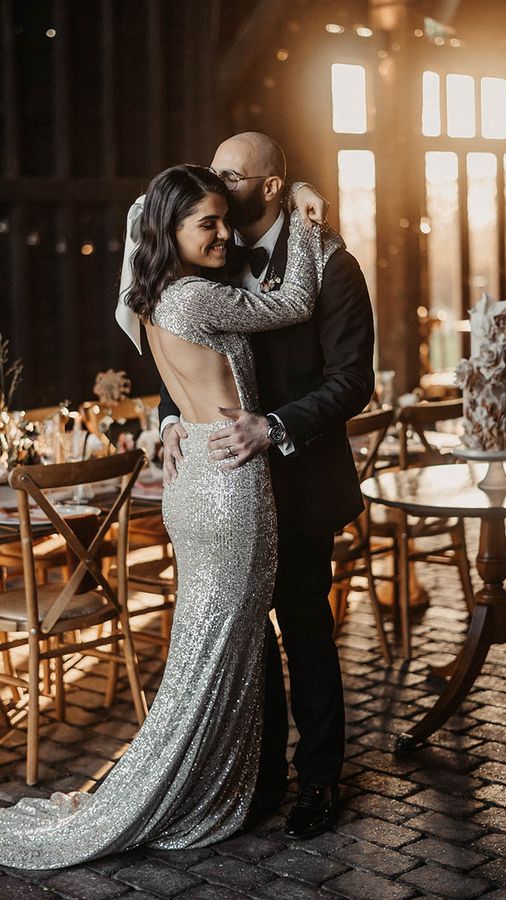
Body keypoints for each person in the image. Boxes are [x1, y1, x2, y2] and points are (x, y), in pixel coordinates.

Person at [0, 164, 343, 869]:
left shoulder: (153, 297)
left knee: (213, 650)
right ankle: (192, 789)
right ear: (171, 231)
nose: (221, 233)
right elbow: (296, 302)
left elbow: (187, 383)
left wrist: (172, 420)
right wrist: (310, 216)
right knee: (219, 650)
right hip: (230, 488)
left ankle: (229, 783)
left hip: (198, 485)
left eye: (224, 218)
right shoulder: (195, 298)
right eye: (206, 223)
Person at [160, 132, 375, 839]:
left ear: (272, 187)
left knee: (306, 633)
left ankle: (318, 781)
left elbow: (353, 383)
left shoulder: (333, 263)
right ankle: (261, 779)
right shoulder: (210, 255)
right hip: (229, 490)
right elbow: (192, 351)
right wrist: (168, 418)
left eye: (230, 175)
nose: (215, 186)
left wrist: (273, 424)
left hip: (300, 478)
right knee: (247, 642)